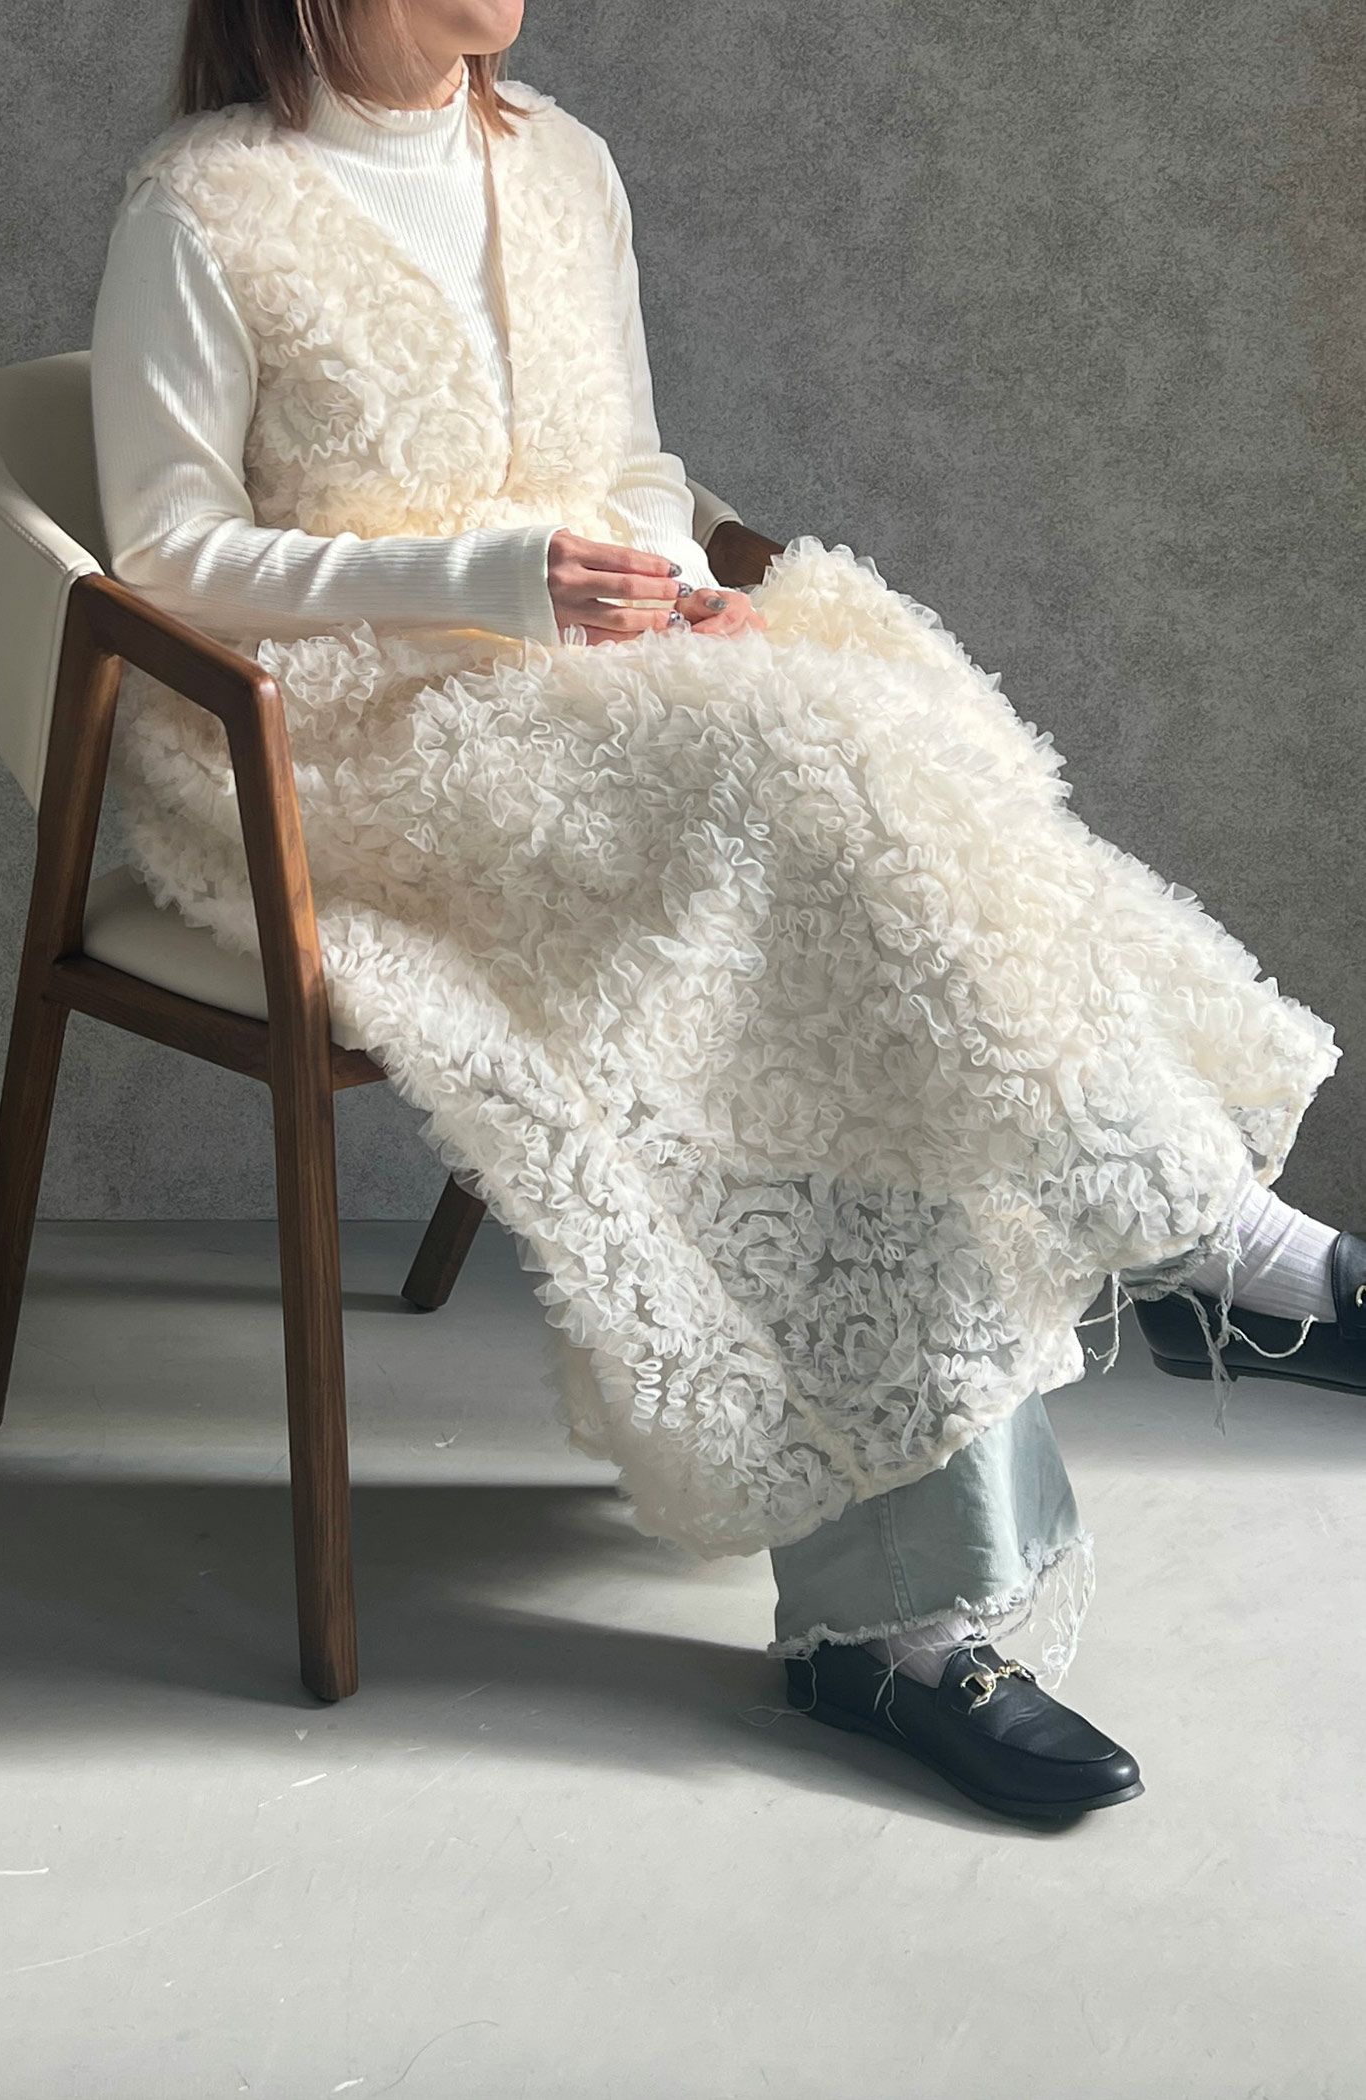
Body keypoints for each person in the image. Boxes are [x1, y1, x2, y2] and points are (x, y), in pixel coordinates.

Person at [90, 0, 1361, 1822]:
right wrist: (491, 577)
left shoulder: (566, 165)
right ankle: (1208, 1255)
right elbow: (165, 553)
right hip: (361, 742)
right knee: (819, 813)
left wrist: (672, 578)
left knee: (876, 785)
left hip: (605, 687)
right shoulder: (205, 205)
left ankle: (917, 1605)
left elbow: (633, 469)